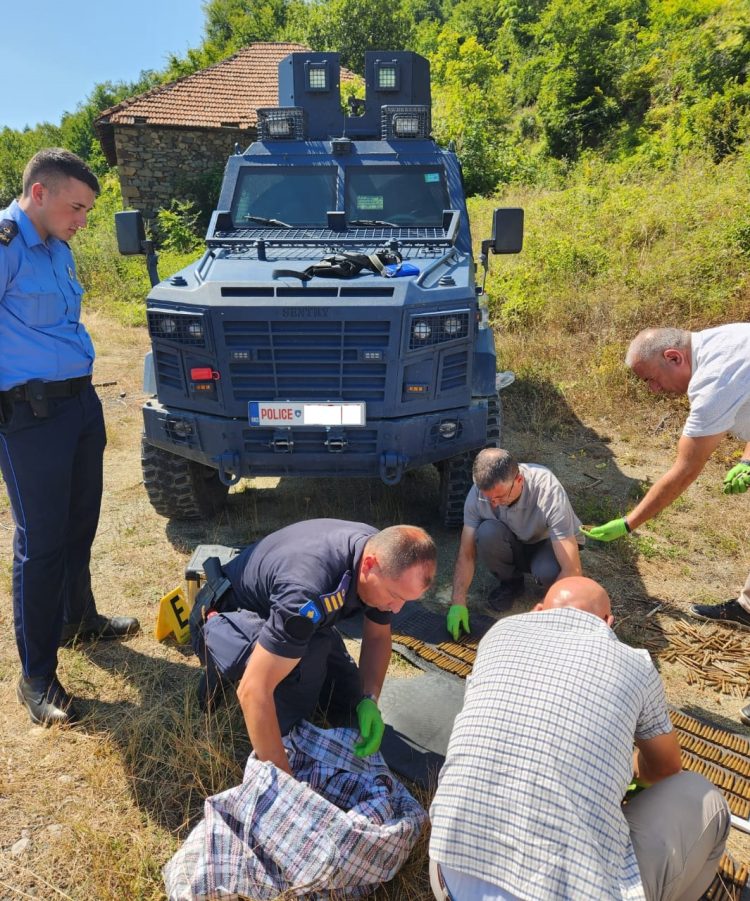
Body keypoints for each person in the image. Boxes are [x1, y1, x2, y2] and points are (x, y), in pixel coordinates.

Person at [429, 576, 729, 901]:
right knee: (704, 797)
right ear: (609, 623)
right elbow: (666, 767)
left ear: (538, 610)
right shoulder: (636, 664)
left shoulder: (499, 634)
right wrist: (623, 773)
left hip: (447, 875)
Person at [0, 149, 139, 728]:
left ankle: (79, 618)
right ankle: (37, 675)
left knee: (81, 522)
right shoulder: (7, 242)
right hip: (29, 415)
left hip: (79, 403)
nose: (83, 218)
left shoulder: (57, 248)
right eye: (76, 206)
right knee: (43, 541)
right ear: (39, 193)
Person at [582, 325, 750, 720]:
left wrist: (628, 523)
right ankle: (747, 608)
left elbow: (683, 472)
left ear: (674, 357)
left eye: (652, 380)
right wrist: (746, 457)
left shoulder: (712, 381)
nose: (654, 391)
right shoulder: (727, 340)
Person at [190, 518, 437, 776]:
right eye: (395, 596)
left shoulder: (381, 554)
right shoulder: (308, 590)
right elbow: (254, 690)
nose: (397, 609)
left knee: (347, 695)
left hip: (281, 616)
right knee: (304, 668)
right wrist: (283, 781)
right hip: (223, 616)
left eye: (405, 601)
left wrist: (369, 699)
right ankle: (287, 738)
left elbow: (377, 637)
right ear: (369, 565)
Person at [446, 447, 583, 641]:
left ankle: (550, 596)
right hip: (513, 542)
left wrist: (541, 611)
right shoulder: (477, 494)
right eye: (488, 497)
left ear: (519, 480)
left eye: (500, 496)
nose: (494, 503)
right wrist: (457, 602)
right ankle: (511, 583)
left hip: (546, 544)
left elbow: (572, 569)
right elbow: (466, 553)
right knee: (486, 534)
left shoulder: (547, 489)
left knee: (548, 572)